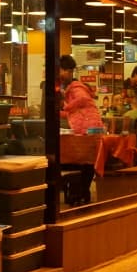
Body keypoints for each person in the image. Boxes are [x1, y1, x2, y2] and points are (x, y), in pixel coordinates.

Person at [58, 54, 102, 205]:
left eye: (63, 70)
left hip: (89, 129)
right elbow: (75, 111)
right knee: (86, 161)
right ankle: (83, 193)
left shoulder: (75, 88)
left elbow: (83, 100)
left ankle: (82, 193)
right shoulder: (70, 88)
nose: (61, 74)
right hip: (90, 128)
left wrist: (65, 106)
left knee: (85, 161)